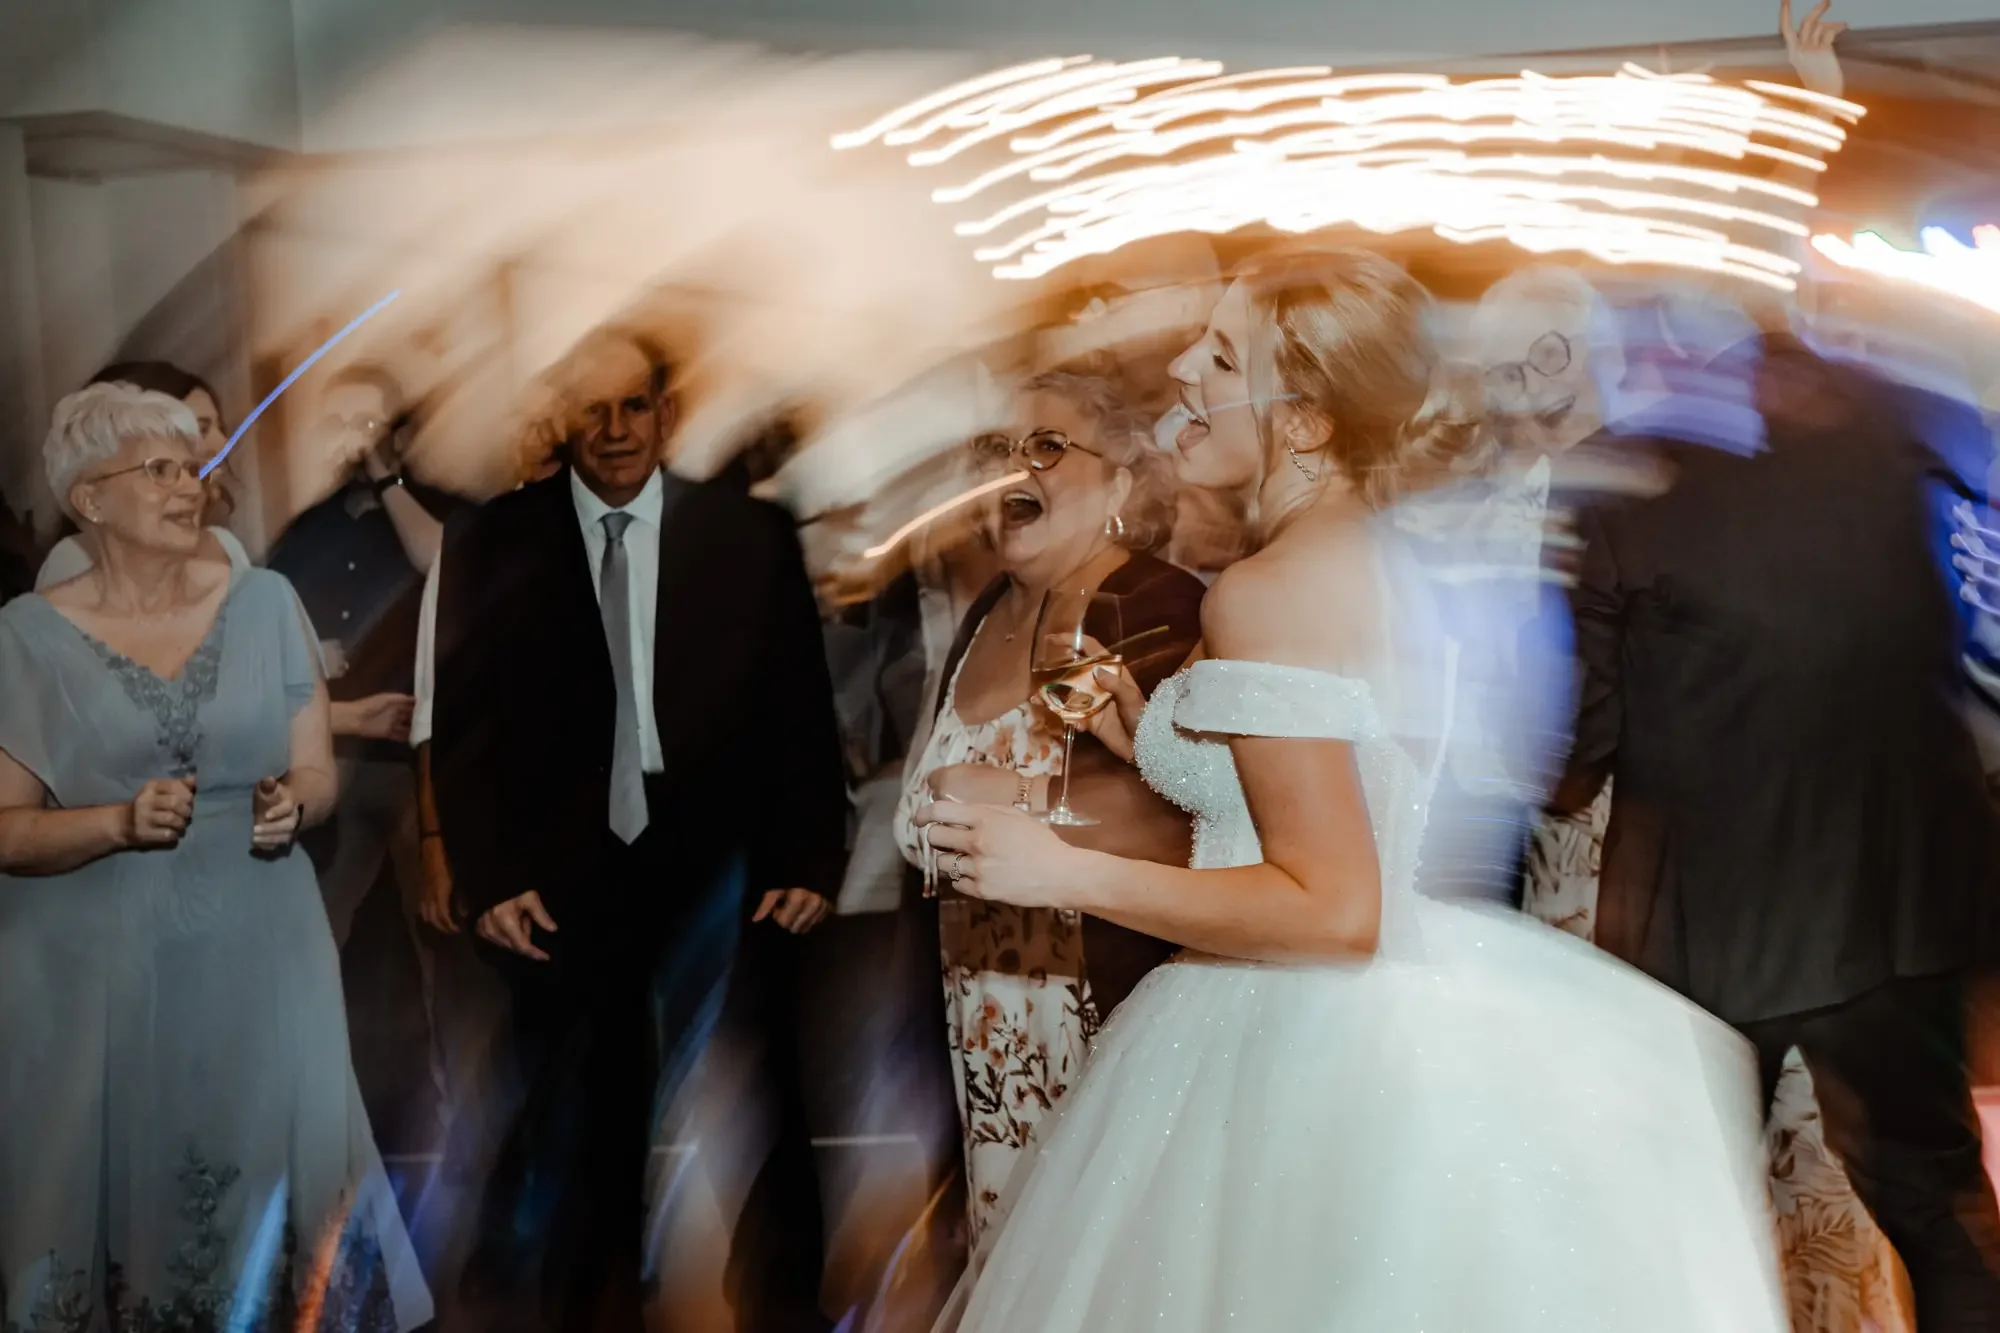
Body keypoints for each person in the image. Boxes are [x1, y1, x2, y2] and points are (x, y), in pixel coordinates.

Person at [913, 250, 1788, 1332]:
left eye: (1221, 356)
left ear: (1305, 421)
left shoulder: (1265, 591)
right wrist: (1153, 741)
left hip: (1288, 1039)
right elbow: (1358, 784)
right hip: (1395, 1010)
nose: (1182, 369)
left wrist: (1061, 868)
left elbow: (1334, 907)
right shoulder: (1374, 553)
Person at [1556, 328, 2000, 1332]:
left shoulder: (1624, 481)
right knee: (1937, 1212)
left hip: (1707, 926)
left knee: (1683, 1218)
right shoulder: (1902, 423)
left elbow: (1582, 744)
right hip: (1901, 905)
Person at [428, 328, 844, 1333]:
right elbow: (465, 719)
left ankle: (785, 1298)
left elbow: (799, 701)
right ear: (564, 420)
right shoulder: (496, 538)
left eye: (633, 406)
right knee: (592, 1102)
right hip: (570, 863)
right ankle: (595, 1301)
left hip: (730, 850)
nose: (613, 429)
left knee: (770, 1085)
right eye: (593, 409)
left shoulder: (747, 533)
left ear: (666, 413)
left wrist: (809, 851)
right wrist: (488, 874)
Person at [0, 383, 431, 1329]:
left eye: (191, 467)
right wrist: (116, 823)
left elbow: (315, 771)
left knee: (272, 1175)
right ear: (90, 499)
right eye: (158, 470)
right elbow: (8, 828)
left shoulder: (267, 601)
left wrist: (292, 804)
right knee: (144, 1188)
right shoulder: (27, 636)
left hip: (265, 940)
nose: (187, 486)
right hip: (110, 966)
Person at [890, 372, 1202, 1245]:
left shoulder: (1148, 606)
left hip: (1102, 1018)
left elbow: (1194, 819)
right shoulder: (989, 609)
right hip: (986, 1034)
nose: (1012, 468)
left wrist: (1029, 799)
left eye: (1047, 446)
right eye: (995, 449)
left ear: (1120, 485)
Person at [266, 362, 460, 1157]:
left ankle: (463, 1115)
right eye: (338, 422)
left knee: (448, 944)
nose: (351, 439)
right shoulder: (306, 531)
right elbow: (268, 631)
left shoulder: (441, 510)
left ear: (400, 434)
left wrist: (387, 480)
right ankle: (312, 1119)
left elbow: (447, 565)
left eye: (367, 422)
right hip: (339, 762)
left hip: (433, 769)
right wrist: (313, 657)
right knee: (315, 940)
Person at [37, 360, 247, 586]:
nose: (223, 444)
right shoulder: (73, 562)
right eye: (199, 429)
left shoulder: (225, 546)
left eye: (220, 427)